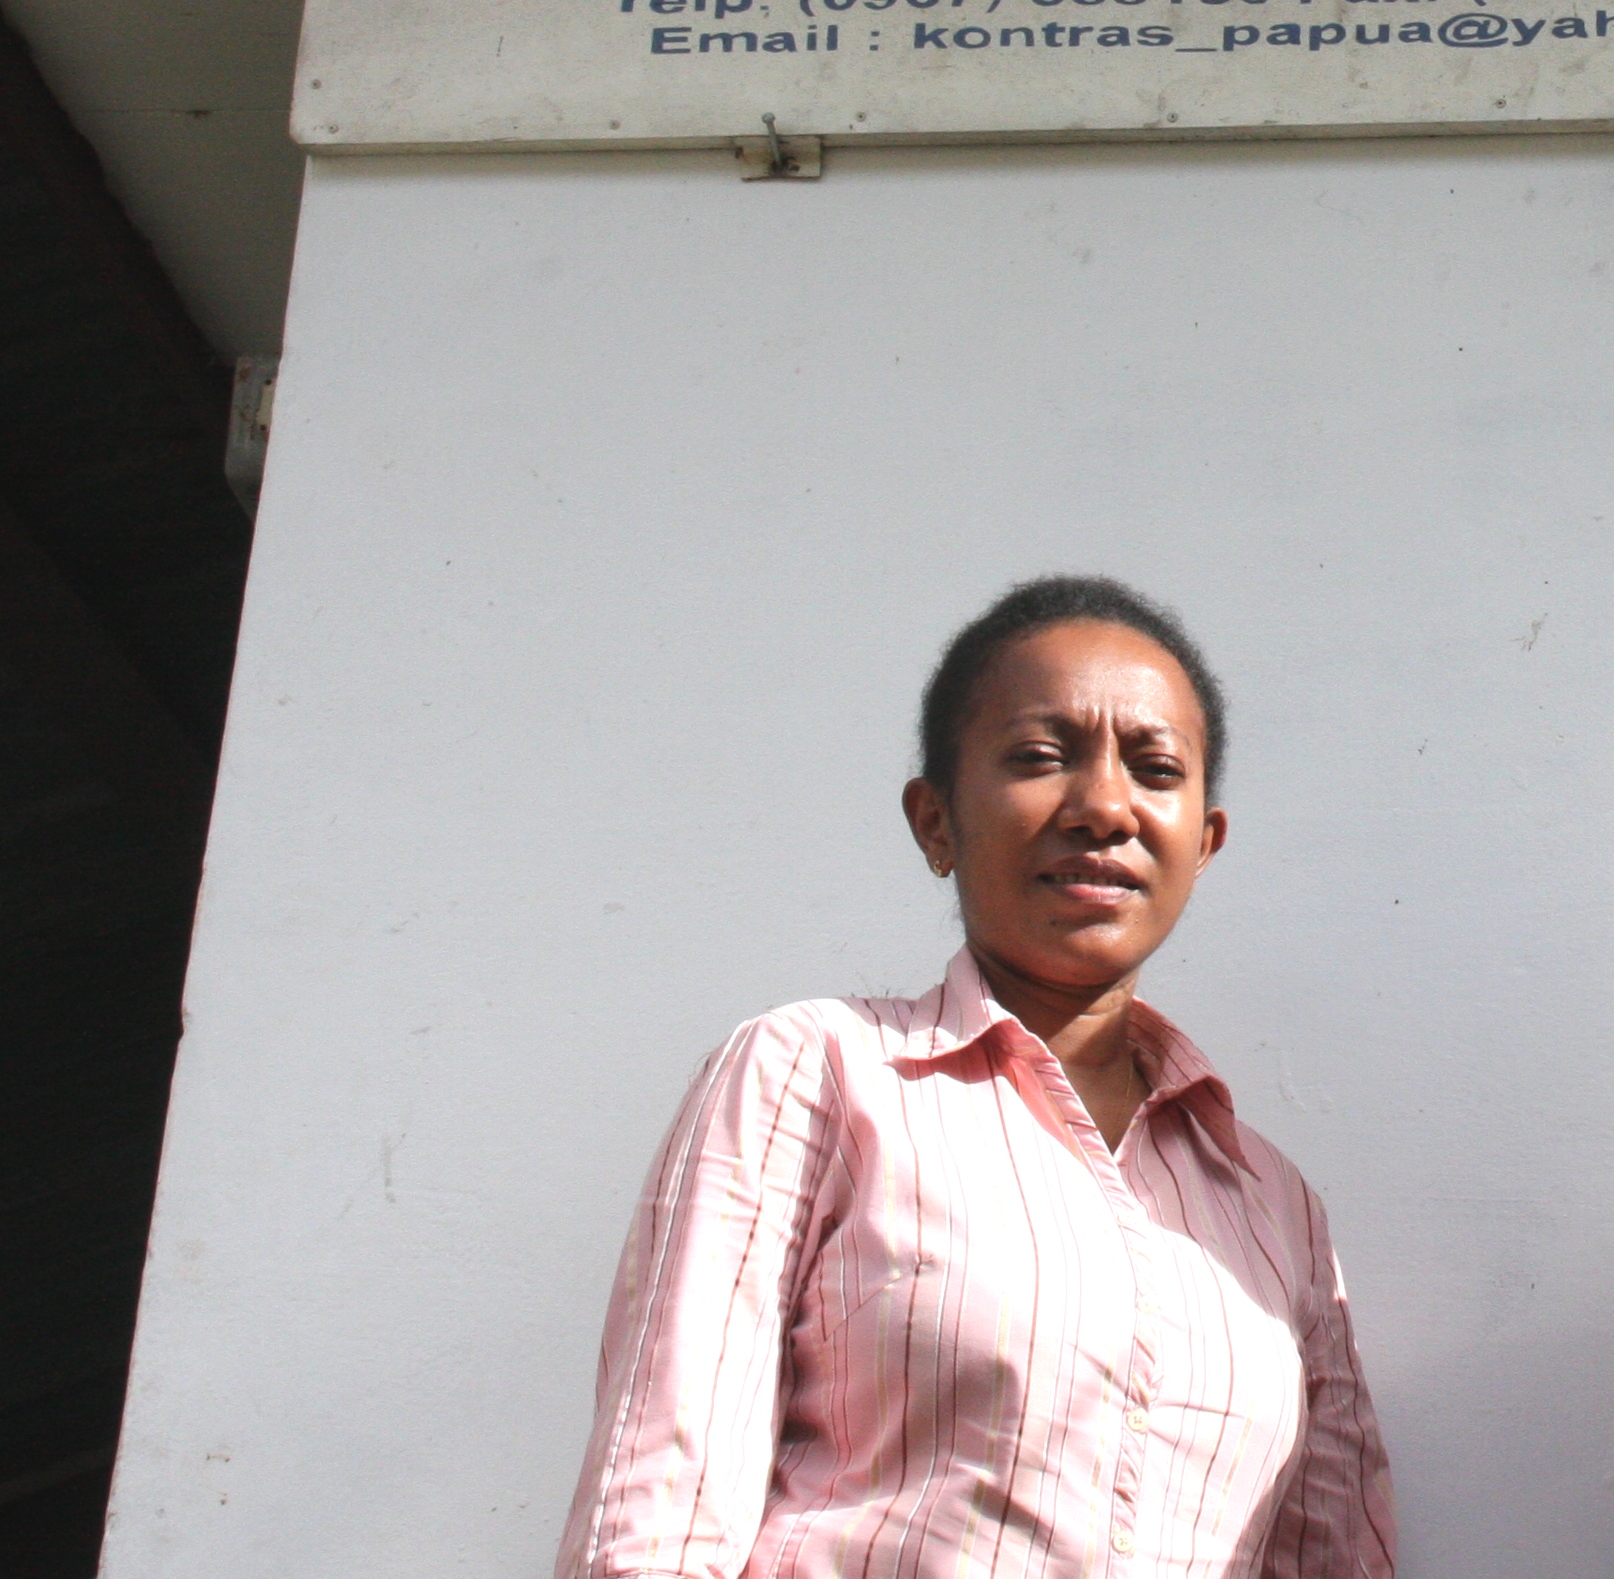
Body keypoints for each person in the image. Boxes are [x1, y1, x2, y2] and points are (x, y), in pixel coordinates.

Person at [558, 577, 1395, 1579]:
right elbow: (660, 1510)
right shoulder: (816, 1076)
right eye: (1040, 758)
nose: (1105, 808)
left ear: (1204, 843)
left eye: (1156, 769)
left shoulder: (1273, 1208)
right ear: (935, 822)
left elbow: (1331, 1556)